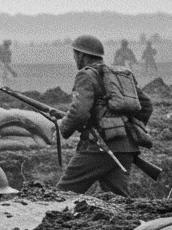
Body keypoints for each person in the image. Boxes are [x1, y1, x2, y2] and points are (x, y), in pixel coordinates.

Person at [55, 35, 154, 197]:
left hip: (99, 147)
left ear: (82, 55)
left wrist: (62, 126)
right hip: (126, 149)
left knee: (61, 195)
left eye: (75, 55)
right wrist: (127, 126)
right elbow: (147, 105)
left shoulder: (85, 75)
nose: (74, 59)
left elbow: (79, 113)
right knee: (119, 201)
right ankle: (129, 222)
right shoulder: (120, 74)